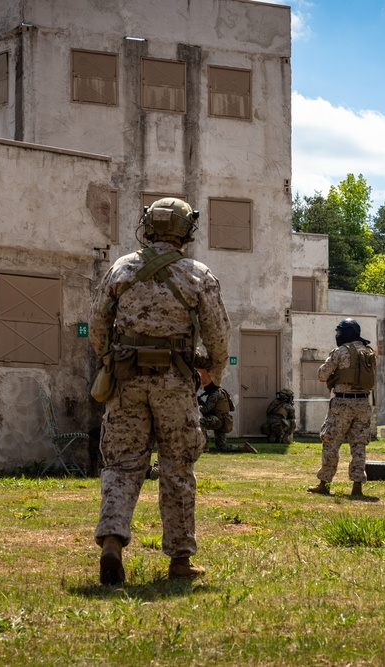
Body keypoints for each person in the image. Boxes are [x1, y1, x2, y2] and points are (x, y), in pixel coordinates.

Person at [89, 197, 230, 585]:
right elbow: (218, 334)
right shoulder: (198, 274)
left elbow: (97, 324)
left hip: (126, 382)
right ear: (187, 231)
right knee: (177, 468)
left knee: (121, 465)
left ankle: (112, 543)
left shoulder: (121, 268)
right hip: (174, 384)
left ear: (148, 227)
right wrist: (213, 371)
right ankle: (180, 561)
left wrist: (108, 360)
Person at [307, 318, 376, 498]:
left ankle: (324, 483)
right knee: (359, 445)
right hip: (363, 403)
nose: (337, 335)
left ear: (346, 333)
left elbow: (322, 375)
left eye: (339, 332)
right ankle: (357, 486)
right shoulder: (369, 352)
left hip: (342, 404)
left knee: (331, 441)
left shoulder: (341, 352)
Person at [196, 368, 252, 453]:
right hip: (224, 421)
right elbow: (231, 407)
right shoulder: (222, 392)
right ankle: (242, 449)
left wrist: (196, 406)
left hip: (217, 421)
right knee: (221, 447)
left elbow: (206, 409)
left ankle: (204, 446)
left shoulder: (215, 394)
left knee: (200, 423)